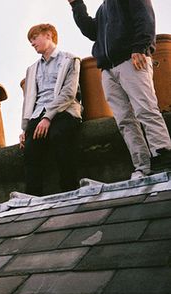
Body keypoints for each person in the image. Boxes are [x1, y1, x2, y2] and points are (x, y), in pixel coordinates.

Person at [67, 0, 171, 179]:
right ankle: (142, 165)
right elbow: (92, 31)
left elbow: (145, 19)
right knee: (124, 120)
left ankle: (164, 158)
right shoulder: (103, 8)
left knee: (145, 110)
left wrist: (140, 47)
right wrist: (77, 5)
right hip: (108, 70)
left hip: (132, 60)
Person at [20, 23, 82, 196]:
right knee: (30, 150)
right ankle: (32, 197)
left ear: (48, 35)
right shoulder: (32, 69)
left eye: (34, 38)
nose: (32, 43)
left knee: (59, 137)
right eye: (30, 40)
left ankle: (70, 190)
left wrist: (48, 117)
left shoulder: (70, 59)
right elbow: (28, 100)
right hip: (38, 115)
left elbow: (69, 93)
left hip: (64, 111)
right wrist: (25, 128)